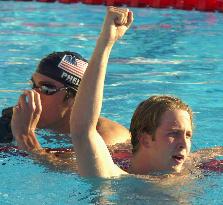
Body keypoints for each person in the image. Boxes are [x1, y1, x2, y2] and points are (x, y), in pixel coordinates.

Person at [70, 7, 195, 177]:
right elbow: (82, 130)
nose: (184, 144)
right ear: (145, 139)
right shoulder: (117, 181)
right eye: (174, 133)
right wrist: (106, 44)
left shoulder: (191, 174)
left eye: (188, 135)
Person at [0, 51, 130, 152]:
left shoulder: (109, 140)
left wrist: (25, 136)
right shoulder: (19, 120)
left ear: (74, 98)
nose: (34, 94)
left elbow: (76, 171)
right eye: (34, 85)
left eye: (46, 88)